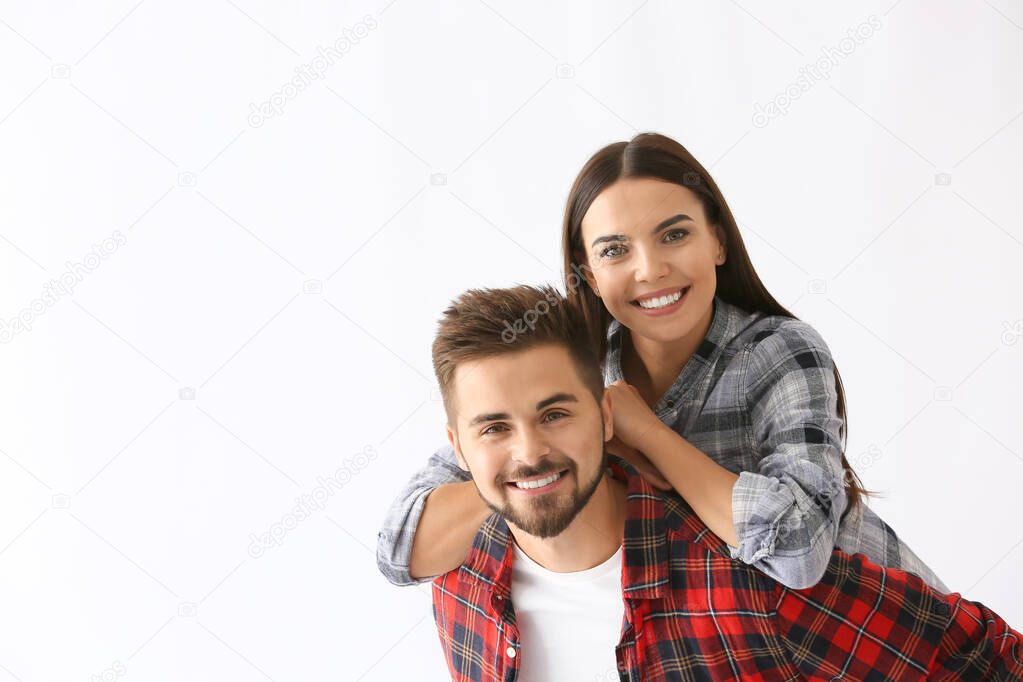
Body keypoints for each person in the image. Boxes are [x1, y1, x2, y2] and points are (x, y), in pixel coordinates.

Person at [377, 132, 947, 592]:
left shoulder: (777, 352)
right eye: (614, 249)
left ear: (717, 242)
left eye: (673, 234)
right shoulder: (574, 368)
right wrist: (532, 468)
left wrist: (644, 432)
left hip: (902, 639)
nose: (649, 269)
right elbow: (400, 552)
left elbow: (800, 552)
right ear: (588, 271)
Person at [427, 284, 1019, 681]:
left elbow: (985, 660)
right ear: (458, 448)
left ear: (608, 415)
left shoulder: (744, 584)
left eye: (556, 414)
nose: (529, 452)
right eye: (494, 428)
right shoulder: (463, 585)